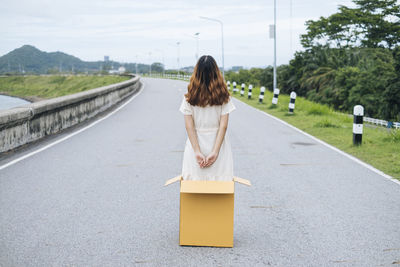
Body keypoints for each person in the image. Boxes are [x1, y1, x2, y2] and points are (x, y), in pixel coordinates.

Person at [179, 55, 236, 181]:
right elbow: (223, 126)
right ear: (216, 73)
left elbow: (189, 126)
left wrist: (197, 151)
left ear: (196, 73)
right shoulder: (223, 96)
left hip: (195, 146)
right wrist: (215, 152)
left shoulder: (189, 97)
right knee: (221, 188)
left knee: (193, 188)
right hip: (219, 146)